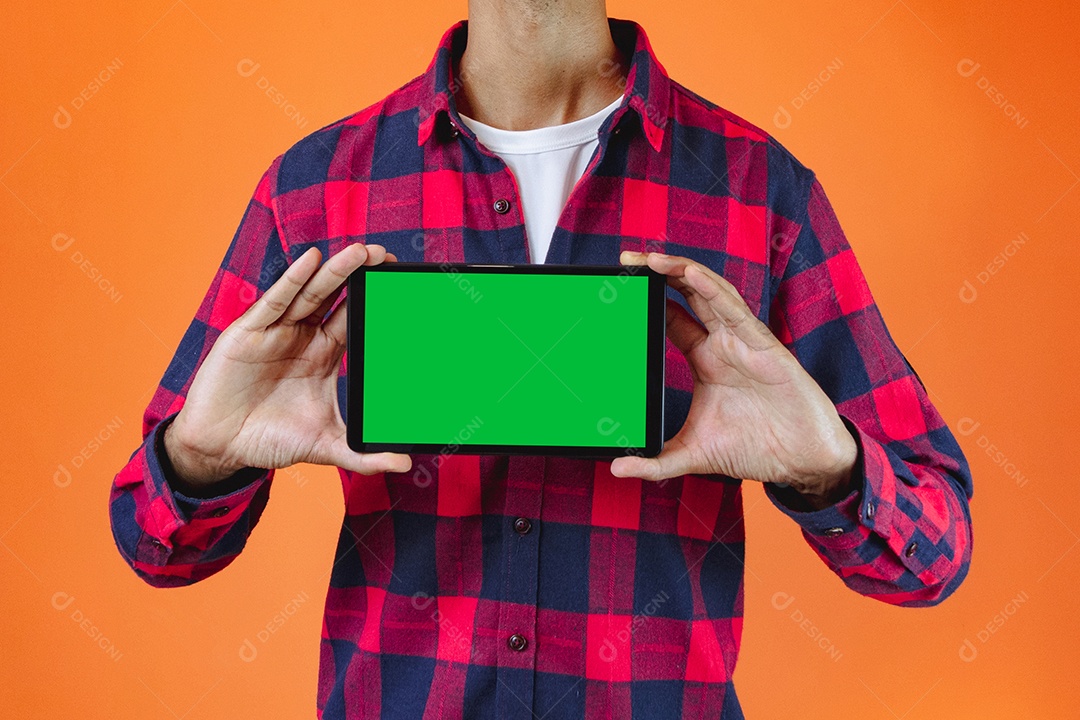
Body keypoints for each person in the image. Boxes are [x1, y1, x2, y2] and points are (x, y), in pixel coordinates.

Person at [108, 1, 974, 717]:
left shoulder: (757, 186)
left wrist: (828, 471)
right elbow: (154, 542)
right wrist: (201, 458)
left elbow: (932, 553)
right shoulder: (317, 185)